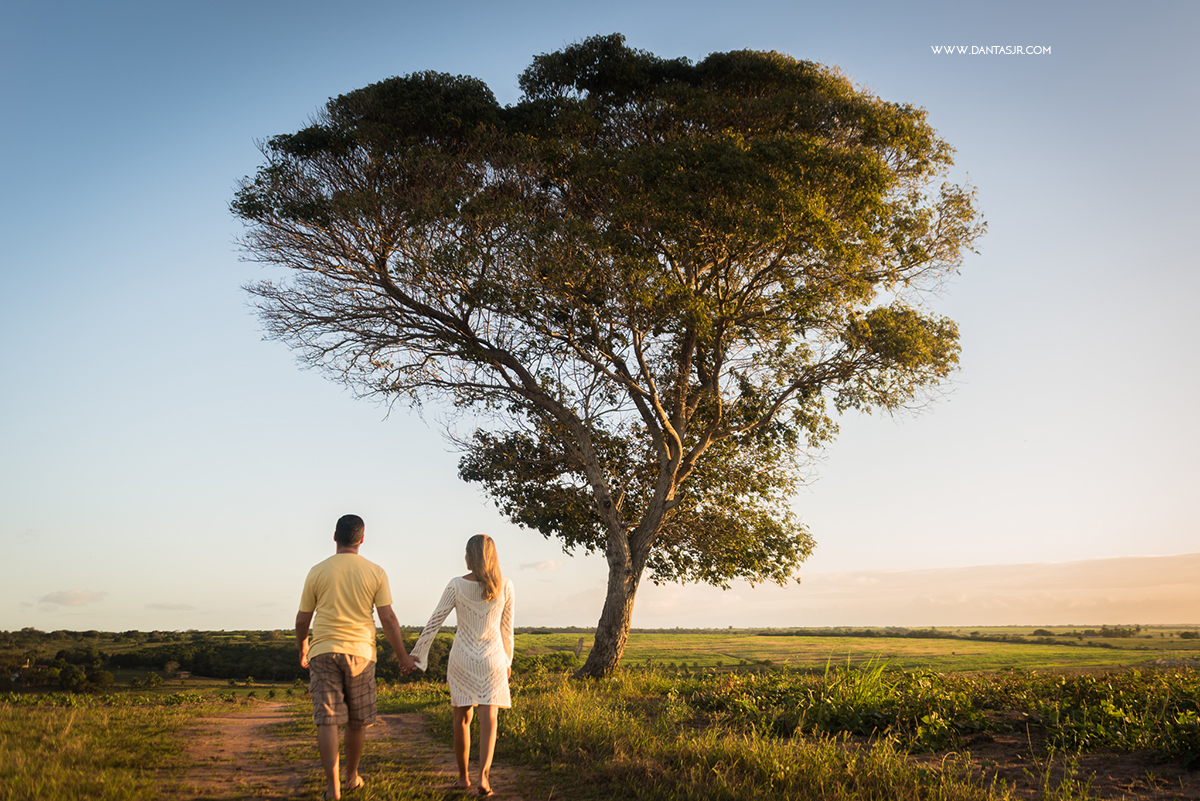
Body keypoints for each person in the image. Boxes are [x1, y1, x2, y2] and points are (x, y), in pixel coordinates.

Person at [296, 514, 417, 800]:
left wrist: (303, 647)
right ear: (362, 539)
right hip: (362, 653)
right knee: (356, 720)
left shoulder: (317, 571)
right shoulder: (376, 571)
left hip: (323, 650)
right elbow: (387, 618)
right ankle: (351, 777)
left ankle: (332, 788)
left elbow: (302, 620)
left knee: (326, 719)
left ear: (334, 537)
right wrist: (403, 657)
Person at [411, 534, 515, 797]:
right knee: (489, 718)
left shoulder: (456, 584)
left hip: (461, 659)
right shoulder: (506, 585)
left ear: (471, 557)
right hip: (493, 659)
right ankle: (484, 778)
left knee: (462, 719)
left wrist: (418, 654)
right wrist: (508, 661)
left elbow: (435, 621)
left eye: (466, 554)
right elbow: (507, 630)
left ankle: (462, 777)